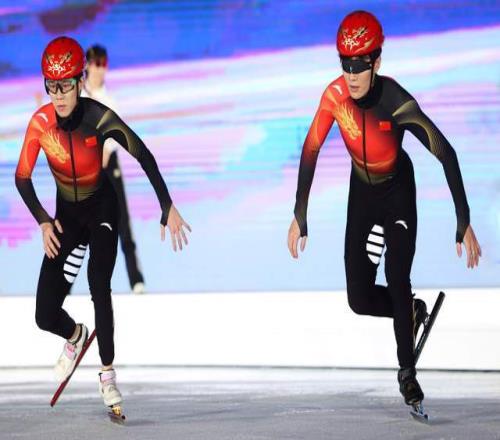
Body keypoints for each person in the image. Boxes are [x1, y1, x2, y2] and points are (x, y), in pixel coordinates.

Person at [287, 11, 481, 407]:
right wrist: (299, 213)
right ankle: (411, 311)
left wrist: (463, 220)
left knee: (396, 276)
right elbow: (310, 149)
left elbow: (445, 152)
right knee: (359, 300)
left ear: (377, 62)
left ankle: (407, 374)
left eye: (360, 64)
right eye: (345, 64)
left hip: (397, 193)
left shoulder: (397, 102)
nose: (352, 75)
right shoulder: (333, 97)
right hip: (361, 195)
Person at [15, 36, 191, 410]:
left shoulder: (99, 116)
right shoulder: (40, 123)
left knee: (99, 282)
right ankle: (75, 336)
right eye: (51, 86)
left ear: (80, 81)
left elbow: (142, 153)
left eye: (65, 85)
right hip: (66, 218)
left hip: (102, 209)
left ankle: (108, 375)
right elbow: (22, 178)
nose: (58, 95)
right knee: (44, 315)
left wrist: (167, 205)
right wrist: (43, 222)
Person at [81, 44, 145, 294]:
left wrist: (105, 150)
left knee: (122, 220)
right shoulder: (79, 96)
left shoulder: (109, 100)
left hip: (108, 164)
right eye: (96, 64)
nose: (100, 69)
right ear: (87, 65)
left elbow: (116, 135)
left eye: (103, 64)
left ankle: (136, 279)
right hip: (85, 166)